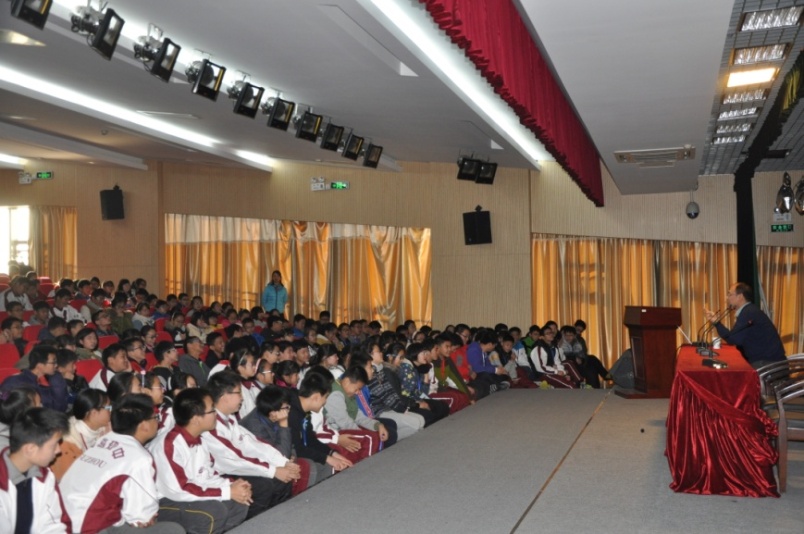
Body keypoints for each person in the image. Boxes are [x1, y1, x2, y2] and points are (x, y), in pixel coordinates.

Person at [60, 394, 184, 533]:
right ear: (144, 425)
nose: (158, 422)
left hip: (64, 519)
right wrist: (143, 519)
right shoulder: (139, 458)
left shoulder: (104, 440)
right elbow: (142, 518)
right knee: (173, 529)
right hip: (89, 527)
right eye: (155, 417)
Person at [149, 388, 251, 534]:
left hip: (187, 492)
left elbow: (206, 476)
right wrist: (227, 492)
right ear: (196, 419)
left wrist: (232, 485)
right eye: (212, 410)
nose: (216, 414)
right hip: (163, 502)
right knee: (214, 511)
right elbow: (179, 490)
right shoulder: (168, 445)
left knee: (238, 502)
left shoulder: (200, 439)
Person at [202, 371, 298, 518]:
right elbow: (234, 458)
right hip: (223, 471)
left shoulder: (229, 419)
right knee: (265, 484)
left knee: (283, 476)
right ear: (224, 396)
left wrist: (283, 462)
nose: (242, 397)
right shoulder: (211, 424)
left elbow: (253, 445)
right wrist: (273, 470)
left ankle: (281, 518)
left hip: (238, 465)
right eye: (238, 393)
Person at [0, 407, 70, 533]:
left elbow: (53, 524)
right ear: (30, 449)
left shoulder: (44, 475)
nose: (58, 450)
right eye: (54, 445)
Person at [705, 282, 786, 369]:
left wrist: (717, 323)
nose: (727, 297)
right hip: (768, 361)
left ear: (740, 296)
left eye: (729, 294)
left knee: (732, 371)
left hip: (768, 364)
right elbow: (735, 338)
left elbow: (734, 339)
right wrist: (716, 322)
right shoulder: (749, 310)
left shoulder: (748, 312)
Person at [1, 344, 69, 412]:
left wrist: (57, 380)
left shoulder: (53, 378)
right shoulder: (15, 382)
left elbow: (60, 407)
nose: (56, 365)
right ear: (39, 365)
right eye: (53, 362)